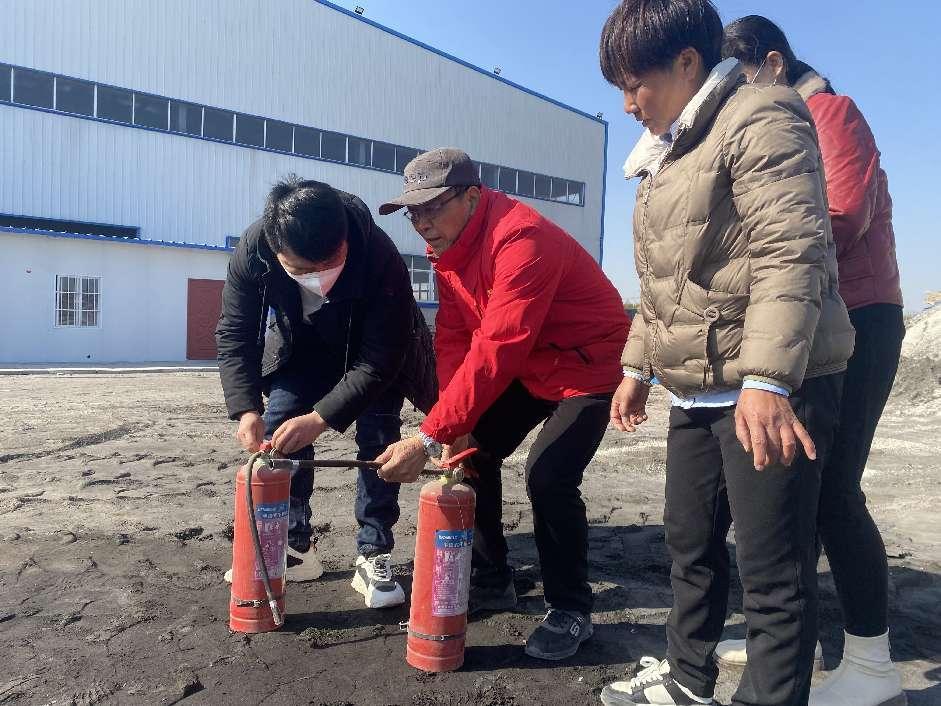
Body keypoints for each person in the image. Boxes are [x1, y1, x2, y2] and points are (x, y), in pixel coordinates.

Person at [595, 1, 855, 705]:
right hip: (696, 386)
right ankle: (687, 681)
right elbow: (664, 283)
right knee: (690, 546)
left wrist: (768, 381)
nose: (626, 105)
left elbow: (790, 252)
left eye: (633, 84)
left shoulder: (761, 117)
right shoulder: (670, 151)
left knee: (773, 573)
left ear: (687, 63)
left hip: (772, 384)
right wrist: (636, 367)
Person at [715, 16, 907, 706]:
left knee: (833, 491)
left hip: (857, 316)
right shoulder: (761, 125)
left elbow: (841, 215)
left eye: (737, 80)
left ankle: (872, 665)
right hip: (802, 318)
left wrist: (746, 257)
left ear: (772, 63)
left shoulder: (829, 112)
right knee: (787, 487)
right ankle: (783, 640)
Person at [374, 148, 630, 661]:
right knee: (470, 453)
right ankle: (492, 580)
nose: (422, 224)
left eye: (432, 208)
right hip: (530, 366)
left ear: (472, 197)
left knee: (549, 476)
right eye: (413, 213)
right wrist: (453, 426)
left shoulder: (521, 238)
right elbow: (454, 337)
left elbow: (498, 348)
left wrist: (427, 436)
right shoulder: (448, 251)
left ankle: (571, 609)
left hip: (586, 367)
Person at [216, 177, 436, 608]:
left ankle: (374, 552)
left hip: (372, 357)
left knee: (380, 443)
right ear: (277, 250)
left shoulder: (379, 253)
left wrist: (320, 419)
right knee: (279, 434)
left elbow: (381, 359)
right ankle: (296, 545)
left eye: (331, 262)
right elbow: (235, 332)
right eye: (301, 270)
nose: (319, 278)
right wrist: (245, 408)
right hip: (301, 350)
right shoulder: (255, 250)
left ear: (344, 239)